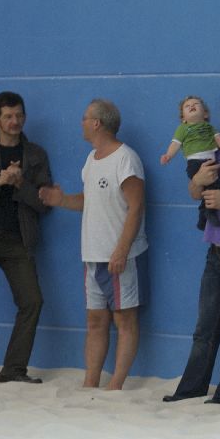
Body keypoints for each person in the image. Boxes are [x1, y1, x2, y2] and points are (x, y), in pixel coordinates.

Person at [39, 99, 147, 390]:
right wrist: (62, 200)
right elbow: (90, 202)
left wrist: (121, 250)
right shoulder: (91, 159)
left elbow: (136, 206)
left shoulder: (126, 159)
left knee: (124, 320)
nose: (82, 122)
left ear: (97, 123)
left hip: (119, 257)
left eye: (85, 117)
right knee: (95, 321)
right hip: (92, 255)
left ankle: (116, 385)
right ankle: (91, 382)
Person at [162, 89, 220, 406]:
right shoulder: (213, 146)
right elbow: (194, 193)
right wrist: (199, 180)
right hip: (214, 251)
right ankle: (191, 388)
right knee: (204, 330)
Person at [0, 91, 53, 384]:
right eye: (8, 116)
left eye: (19, 115)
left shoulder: (35, 155)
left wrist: (20, 184)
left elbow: (45, 203)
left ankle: (14, 370)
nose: (14, 121)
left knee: (32, 301)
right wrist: (0, 181)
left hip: (16, 238)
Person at [159, 96, 220, 230]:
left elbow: (218, 138)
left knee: (218, 187)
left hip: (210, 162)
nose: (192, 106)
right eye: (187, 106)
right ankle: (207, 213)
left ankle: (205, 215)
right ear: (183, 118)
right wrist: (168, 155)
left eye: (196, 104)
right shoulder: (183, 128)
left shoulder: (209, 127)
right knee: (212, 187)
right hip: (194, 163)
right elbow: (175, 144)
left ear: (205, 114)